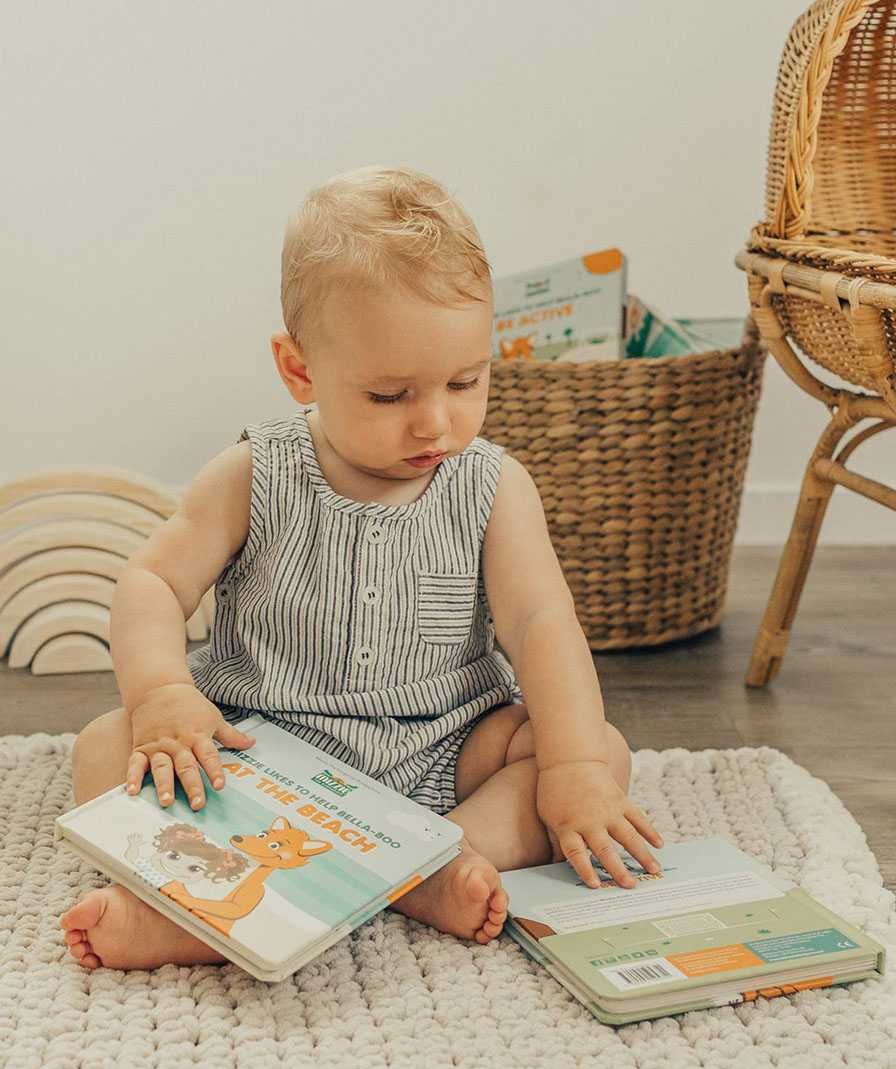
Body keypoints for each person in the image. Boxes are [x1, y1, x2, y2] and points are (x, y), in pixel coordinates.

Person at [59, 165, 664, 972]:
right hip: (262, 750)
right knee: (107, 744)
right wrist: (164, 694)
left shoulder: (493, 485)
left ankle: (420, 866)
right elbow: (153, 584)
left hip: (443, 751)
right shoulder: (254, 471)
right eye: (389, 395)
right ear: (301, 369)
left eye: (465, 381)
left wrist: (578, 771)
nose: (437, 420)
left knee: (593, 751)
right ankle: (232, 902)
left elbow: (540, 624)